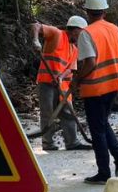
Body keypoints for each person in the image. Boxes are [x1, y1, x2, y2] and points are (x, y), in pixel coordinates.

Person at [72, 0, 118, 185]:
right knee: (103, 124)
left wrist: (78, 79)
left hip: (96, 88)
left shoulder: (86, 33)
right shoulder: (113, 28)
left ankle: (104, 172)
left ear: (87, 11)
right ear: (104, 11)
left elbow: (90, 62)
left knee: (97, 130)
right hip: (114, 85)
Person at [31, 16, 91, 152]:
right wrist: (36, 40)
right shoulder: (57, 34)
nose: (82, 36)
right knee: (48, 113)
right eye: (82, 33)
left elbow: (71, 68)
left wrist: (61, 77)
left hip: (62, 84)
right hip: (46, 82)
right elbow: (36, 26)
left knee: (68, 113)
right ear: (75, 30)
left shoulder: (74, 48)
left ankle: (72, 142)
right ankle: (48, 143)